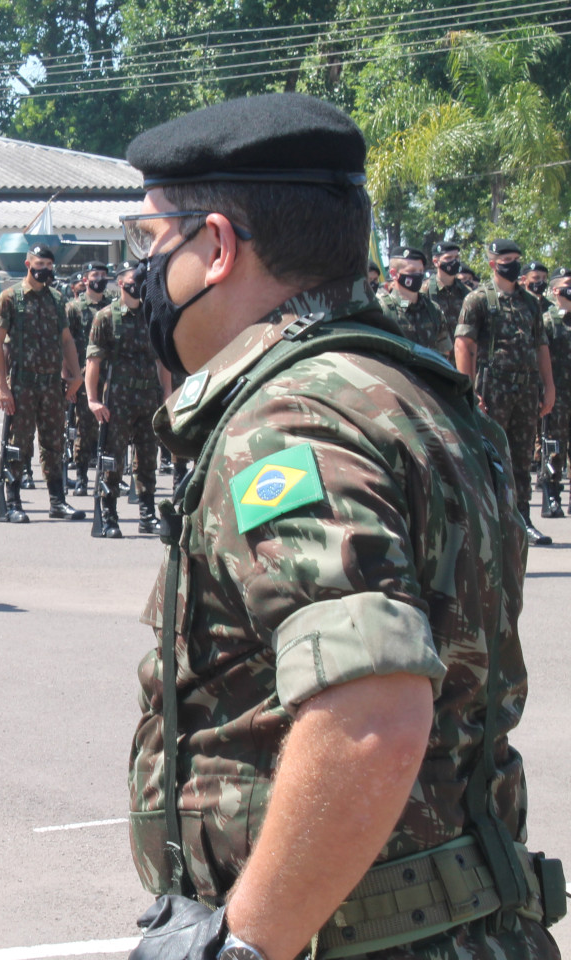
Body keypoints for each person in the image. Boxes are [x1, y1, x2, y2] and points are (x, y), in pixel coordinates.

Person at [121, 93, 561, 960]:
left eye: (149, 241)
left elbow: (372, 716)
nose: (142, 272)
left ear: (216, 246)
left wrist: (248, 943)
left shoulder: (290, 420)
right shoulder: (405, 389)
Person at [455, 239, 556, 545]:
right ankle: (486, 521)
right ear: (492, 264)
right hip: (491, 389)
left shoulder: (530, 302)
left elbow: (541, 346)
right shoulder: (478, 300)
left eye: (516, 258)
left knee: (522, 457)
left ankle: (521, 519)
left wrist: (548, 387)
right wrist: (468, 390)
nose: (512, 264)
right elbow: (464, 345)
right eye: (506, 259)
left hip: (525, 391)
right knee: (489, 456)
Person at [0, 244, 85, 523]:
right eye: (39, 264)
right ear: (28, 263)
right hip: (21, 383)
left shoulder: (56, 299)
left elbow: (66, 339)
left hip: (51, 384)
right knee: (18, 443)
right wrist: (1, 386)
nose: (44, 269)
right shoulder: (10, 298)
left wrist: (76, 374)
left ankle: (57, 501)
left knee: (53, 443)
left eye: (48, 265)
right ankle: (13, 500)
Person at [85, 261, 167, 537]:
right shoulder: (106, 317)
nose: (140, 284)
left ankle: (147, 515)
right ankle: (108, 515)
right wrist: (93, 400)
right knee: (113, 460)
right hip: (117, 401)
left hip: (148, 398)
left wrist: (166, 395)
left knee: (147, 461)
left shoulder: (151, 314)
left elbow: (161, 362)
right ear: (121, 283)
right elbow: (93, 361)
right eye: (135, 279)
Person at [65, 261, 111, 495]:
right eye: (95, 274)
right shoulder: (74, 308)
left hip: (110, 376)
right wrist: (69, 377)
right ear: (85, 280)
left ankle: (108, 476)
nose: (100, 278)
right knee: (84, 428)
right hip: (83, 376)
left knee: (110, 428)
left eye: (103, 274)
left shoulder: (112, 307)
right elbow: (66, 343)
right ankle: (81, 476)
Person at [375, 246, 452, 360]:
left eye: (420, 271)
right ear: (394, 274)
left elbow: (444, 351)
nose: (418, 275)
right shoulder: (381, 309)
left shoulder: (433, 310)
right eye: (411, 271)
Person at [540, 267, 571, 518]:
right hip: (557, 396)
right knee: (555, 448)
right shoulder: (547, 321)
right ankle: (552, 497)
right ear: (555, 289)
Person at [427, 240, 468, 335]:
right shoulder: (425, 290)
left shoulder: (466, 292)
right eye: (448, 258)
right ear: (436, 262)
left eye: (457, 257)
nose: (454, 261)